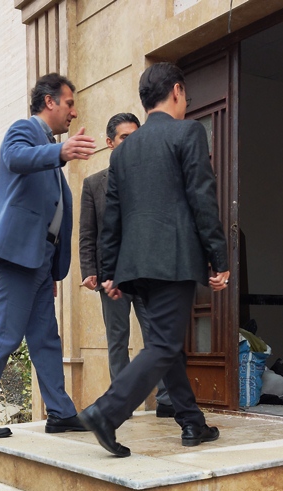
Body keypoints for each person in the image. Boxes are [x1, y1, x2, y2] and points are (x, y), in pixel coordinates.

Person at [78, 62, 230, 457]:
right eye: (186, 96)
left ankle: (192, 422)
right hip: (173, 260)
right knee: (163, 343)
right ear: (177, 91)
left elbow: (112, 218)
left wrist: (111, 272)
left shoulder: (124, 152)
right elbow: (202, 198)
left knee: (167, 342)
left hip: (135, 266)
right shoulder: (187, 132)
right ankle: (106, 413)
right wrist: (219, 258)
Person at [0, 73, 96, 439]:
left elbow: (52, 213)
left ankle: (61, 413)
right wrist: (60, 152)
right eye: (69, 104)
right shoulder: (24, 130)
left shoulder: (47, 147)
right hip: (17, 256)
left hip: (38, 261)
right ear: (49, 101)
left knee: (46, 338)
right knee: (4, 335)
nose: (74, 112)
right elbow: (15, 158)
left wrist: (50, 269)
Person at [79, 113, 174, 418]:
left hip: (148, 273)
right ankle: (122, 403)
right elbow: (88, 232)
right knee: (117, 340)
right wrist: (89, 270)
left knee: (157, 336)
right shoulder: (94, 184)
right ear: (110, 142)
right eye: (124, 138)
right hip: (112, 277)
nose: (132, 143)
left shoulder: (153, 179)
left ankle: (168, 399)